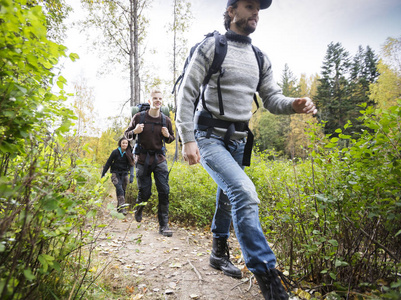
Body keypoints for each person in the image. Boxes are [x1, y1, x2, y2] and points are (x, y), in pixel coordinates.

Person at [176, 0, 317, 299]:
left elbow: (272, 98)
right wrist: (187, 137)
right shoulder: (210, 47)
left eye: (259, 8)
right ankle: (270, 280)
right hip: (207, 136)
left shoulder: (259, 57)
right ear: (231, 11)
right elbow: (187, 93)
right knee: (243, 192)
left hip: (239, 139)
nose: (256, 12)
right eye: (249, 5)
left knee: (229, 196)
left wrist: (293, 104)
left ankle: (217, 252)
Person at [124, 88, 176, 237]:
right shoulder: (138, 117)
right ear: (149, 101)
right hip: (142, 160)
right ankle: (139, 207)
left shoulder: (166, 120)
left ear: (162, 101)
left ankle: (164, 225)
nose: (158, 101)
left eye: (160, 98)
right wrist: (135, 132)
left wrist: (167, 136)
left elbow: (171, 139)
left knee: (164, 192)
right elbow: (126, 134)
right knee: (145, 192)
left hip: (159, 159)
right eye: (155, 98)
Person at [101, 137, 135, 215]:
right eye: (123, 143)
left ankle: (119, 207)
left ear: (127, 144)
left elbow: (132, 165)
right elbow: (108, 163)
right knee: (119, 188)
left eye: (126, 143)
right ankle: (123, 209)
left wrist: (132, 175)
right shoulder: (115, 152)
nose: (124, 144)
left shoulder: (129, 153)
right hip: (115, 174)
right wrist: (103, 174)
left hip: (125, 174)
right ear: (120, 143)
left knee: (123, 190)